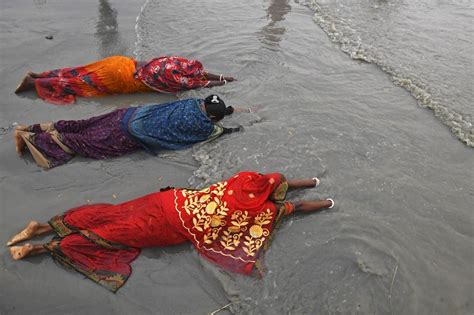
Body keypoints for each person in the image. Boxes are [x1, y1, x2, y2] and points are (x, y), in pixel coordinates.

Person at [7, 171, 335, 292]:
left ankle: (45, 226)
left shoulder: (245, 180)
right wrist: (328, 202)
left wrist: (314, 181)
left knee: (111, 214)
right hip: (166, 226)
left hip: (169, 199)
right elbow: (296, 205)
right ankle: (42, 248)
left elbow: (284, 182)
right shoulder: (259, 210)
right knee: (113, 235)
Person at [14, 95, 244, 168]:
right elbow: (221, 131)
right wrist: (244, 126)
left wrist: (228, 108)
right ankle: (34, 139)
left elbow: (215, 110)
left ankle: (33, 127)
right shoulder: (204, 126)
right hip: (129, 133)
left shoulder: (192, 102)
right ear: (212, 118)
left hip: (126, 114)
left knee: (85, 124)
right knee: (87, 143)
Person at [14, 56, 235, 104]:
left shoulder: (174, 61)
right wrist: (225, 82)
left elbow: (201, 75)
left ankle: (40, 75)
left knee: (79, 72)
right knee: (81, 85)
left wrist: (224, 76)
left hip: (120, 63)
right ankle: (34, 84)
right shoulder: (178, 79)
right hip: (117, 79)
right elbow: (202, 83)